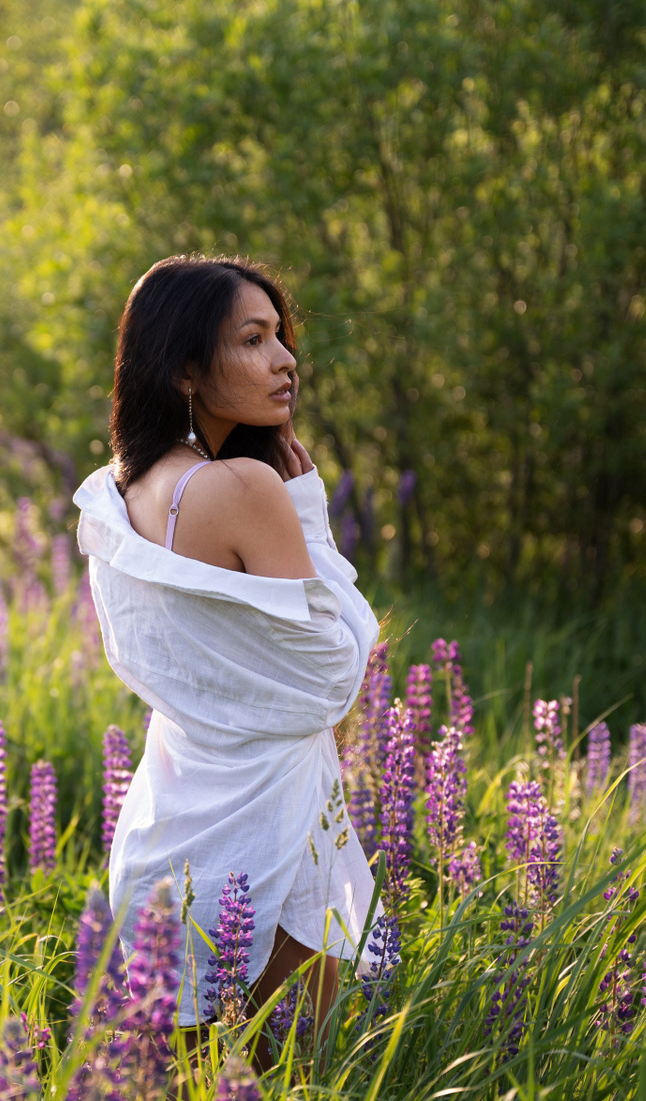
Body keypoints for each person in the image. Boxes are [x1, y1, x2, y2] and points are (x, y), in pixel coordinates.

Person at [72, 254, 383, 1040]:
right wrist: (305, 510)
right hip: (267, 826)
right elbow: (331, 671)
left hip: (166, 826)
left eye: (280, 336)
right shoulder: (246, 487)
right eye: (252, 339)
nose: (285, 360)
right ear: (185, 368)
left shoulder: (120, 490)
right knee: (289, 1091)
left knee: (172, 1094)